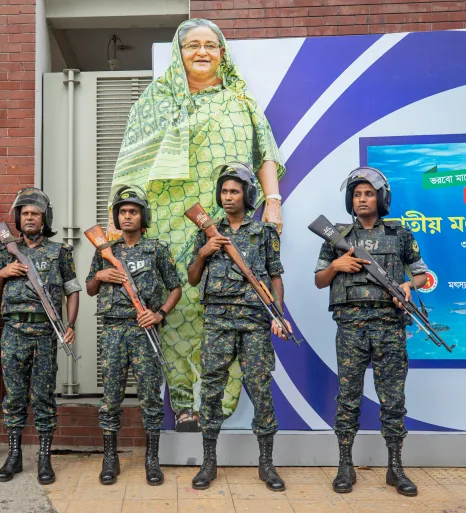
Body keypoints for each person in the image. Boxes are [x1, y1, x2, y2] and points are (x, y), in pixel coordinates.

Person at [110, 18, 287, 429]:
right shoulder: (153, 102)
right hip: (170, 221)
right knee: (179, 304)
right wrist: (119, 225)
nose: (202, 52)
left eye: (211, 45)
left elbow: (266, 153)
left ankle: (219, 402)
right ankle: (185, 401)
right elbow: (129, 166)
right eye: (193, 45)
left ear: (222, 54)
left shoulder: (240, 100)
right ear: (179, 53)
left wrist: (273, 203)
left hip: (230, 220)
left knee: (232, 303)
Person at [314, 167, 427, 497]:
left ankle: (395, 468)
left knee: (393, 401)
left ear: (381, 198)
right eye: (357, 194)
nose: (362, 199)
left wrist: (407, 284)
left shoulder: (399, 234)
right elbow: (319, 280)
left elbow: (421, 274)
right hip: (350, 330)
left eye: (369, 193)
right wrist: (336, 266)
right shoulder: (337, 234)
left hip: (389, 328)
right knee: (347, 401)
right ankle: (345, 468)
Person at [186, 163, 290, 492]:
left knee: (260, 389)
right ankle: (208, 463)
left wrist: (279, 314)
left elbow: (275, 276)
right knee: (212, 390)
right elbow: (191, 278)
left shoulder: (263, 232)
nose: (228, 197)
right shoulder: (205, 231)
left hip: (254, 320)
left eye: (234, 191)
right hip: (217, 320)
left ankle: (267, 464)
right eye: (224, 191)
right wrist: (204, 252)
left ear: (247, 194)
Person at [86, 185, 182, 486]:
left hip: (145, 331)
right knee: (111, 397)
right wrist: (100, 275)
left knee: (151, 397)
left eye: (133, 211)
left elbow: (176, 288)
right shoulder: (104, 251)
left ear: (143, 217)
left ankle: (151, 459)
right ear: (116, 217)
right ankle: (110, 458)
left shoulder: (157, 249)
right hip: (114, 330)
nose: (127, 216)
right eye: (123, 212)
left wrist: (159, 314)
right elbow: (89, 288)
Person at [0, 187, 81, 485]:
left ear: (45, 219)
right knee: (14, 397)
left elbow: (72, 291)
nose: (30, 218)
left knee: (42, 397)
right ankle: (14, 456)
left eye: (35, 214)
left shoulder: (59, 252)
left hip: (45, 332)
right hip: (14, 333)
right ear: (18, 218)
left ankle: (44, 458)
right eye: (25, 213)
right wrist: (2, 274)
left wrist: (70, 325)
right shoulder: (5, 251)